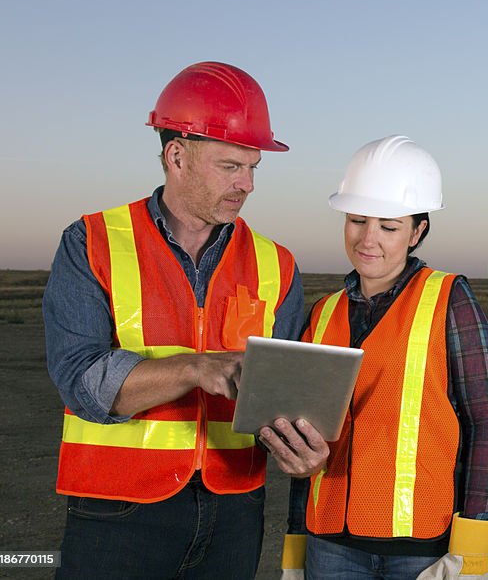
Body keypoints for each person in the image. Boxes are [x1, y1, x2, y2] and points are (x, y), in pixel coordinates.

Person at [43, 61, 331, 579]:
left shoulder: (276, 263)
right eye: (229, 167)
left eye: (253, 168)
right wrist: (197, 368)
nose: (247, 184)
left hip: (235, 512)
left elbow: (283, 396)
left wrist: (302, 450)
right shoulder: (93, 242)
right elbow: (82, 382)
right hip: (116, 509)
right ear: (176, 156)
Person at [280, 135, 488, 580]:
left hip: (423, 547)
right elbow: (304, 435)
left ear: (417, 231)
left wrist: (474, 551)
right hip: (329, 544)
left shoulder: (449, 299)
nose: (369, 239)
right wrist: (295, 546)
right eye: (357, 220)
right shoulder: (323, 313)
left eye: (389, 226)